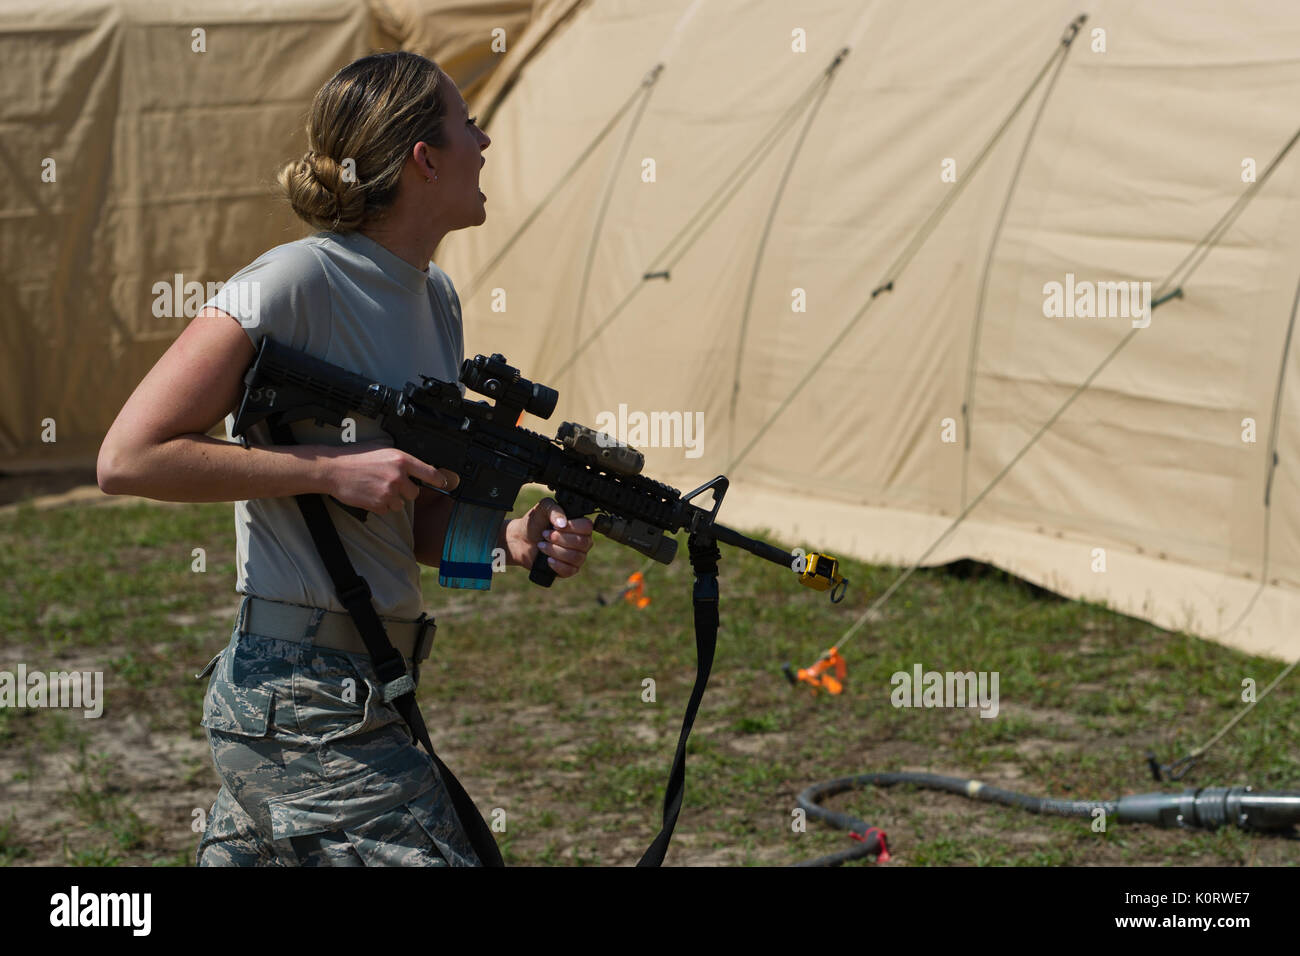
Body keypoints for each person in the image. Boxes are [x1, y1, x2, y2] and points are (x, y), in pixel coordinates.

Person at [96, 51, 594, 866]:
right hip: (299, 697)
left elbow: (418, 521)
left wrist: (510, 542)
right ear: (423, 160)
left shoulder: (434, 297)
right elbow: (129, 456)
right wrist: (324, 470)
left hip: (372, 680)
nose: (487, 140)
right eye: (468, 124)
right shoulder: (296, 280)